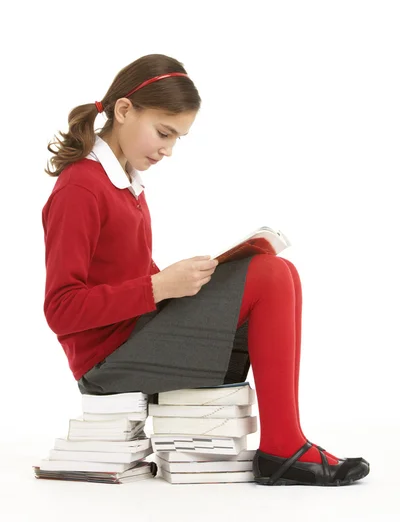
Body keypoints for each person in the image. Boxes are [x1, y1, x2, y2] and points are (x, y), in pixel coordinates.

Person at [41, 53, 370, 486]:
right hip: (108, 363)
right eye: (163, 132)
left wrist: (183, 283)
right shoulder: (81, 187)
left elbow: (129, 277)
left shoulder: (125, 185)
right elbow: (60, 309)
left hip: (135, 335)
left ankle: (288, 440)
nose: (168, 149)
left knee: (276, 269)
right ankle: (283, 447)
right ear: (123, 111)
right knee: (269, 277)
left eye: (178, 138)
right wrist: (159, 286)